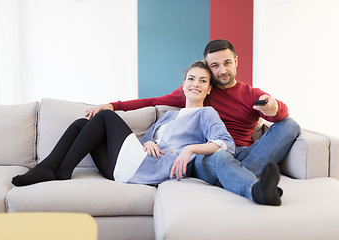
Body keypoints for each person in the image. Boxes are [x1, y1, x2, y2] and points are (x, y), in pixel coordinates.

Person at [86, 39, 301, 206]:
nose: (222, 70)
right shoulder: (199, 90)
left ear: (236, 61)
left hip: (243, 152)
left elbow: (276, 111)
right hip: (207, 154)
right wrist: (113, 106)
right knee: (220, 157)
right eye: (215, 66)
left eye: (227, 63)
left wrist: (273, 108)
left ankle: (232, 175)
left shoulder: (251, 93)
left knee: (290, 125)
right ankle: (254, 188)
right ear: (208, 68)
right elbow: (152, 101)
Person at [11, 61, 236, 189]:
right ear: (183, 84)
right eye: (191, 78)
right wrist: (147, 143)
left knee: (107, 117)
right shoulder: (169, 116)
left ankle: (61, 169)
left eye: (203, 81)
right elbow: (146, 139)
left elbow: (226, 143)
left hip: (149, 169)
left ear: (208, 90)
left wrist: (190, 149)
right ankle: (52, 168)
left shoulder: (207, 113)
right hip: (124, 168)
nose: (196, 84)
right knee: (81, 123)